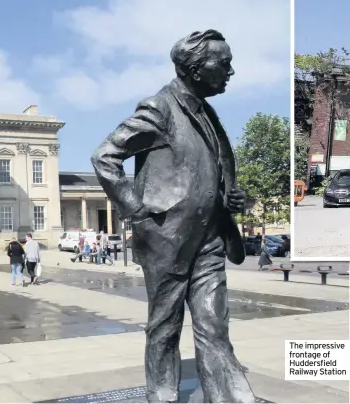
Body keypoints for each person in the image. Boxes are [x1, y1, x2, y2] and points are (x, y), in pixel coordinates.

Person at [91, 30, 254, 403]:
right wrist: (138, 213)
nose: (231, 71)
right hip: (167, 237)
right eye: (224, 63)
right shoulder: (159, 108)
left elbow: (207, 172)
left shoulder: (207, 112)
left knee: (214, 324)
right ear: (196, 68)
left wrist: (231, 198)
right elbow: (105, 157)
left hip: (211, 238)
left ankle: (228, 397)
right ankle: (162, 395)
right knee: (165, 326)